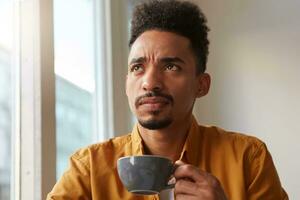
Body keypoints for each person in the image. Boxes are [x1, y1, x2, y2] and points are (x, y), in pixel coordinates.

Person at [47, 0, 288, 199]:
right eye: (137, 67)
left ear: (201, 85)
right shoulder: (87, 169)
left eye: (171, 66)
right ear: (126, 84)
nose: (150, 83)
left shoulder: (249, 159)